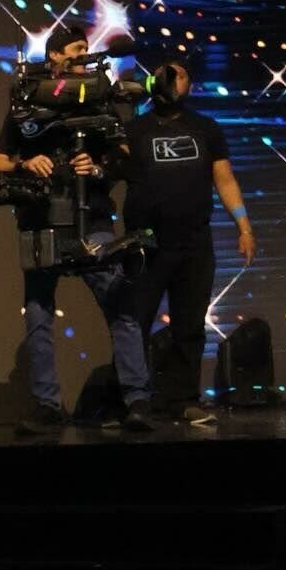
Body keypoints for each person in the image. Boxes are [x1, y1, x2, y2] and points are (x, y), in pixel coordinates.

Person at [0, 24, 155, 435]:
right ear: (56, 55)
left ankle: (137, 399)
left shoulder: (99, 99)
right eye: (77, 49)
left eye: (86, 48)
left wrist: (97, 167)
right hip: (40, 221)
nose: (83, 55)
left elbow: (126, 160)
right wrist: (27, 163)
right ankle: (47, 405)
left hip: (92, 220)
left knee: (119, 306)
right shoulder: (27, 101)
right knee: (38, 314)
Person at [117, 53, 256, 422]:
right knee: (134, 322)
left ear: (189, 85)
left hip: (194, 241)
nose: (170, 80)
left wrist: (244, 226)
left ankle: (183, 399)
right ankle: (133, 401)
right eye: (164, 74)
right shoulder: (134, 130)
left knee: (190, 324)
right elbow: (110, 170)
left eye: (177, 75)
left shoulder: (206, 128)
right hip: (146, 243)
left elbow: (224, 179)